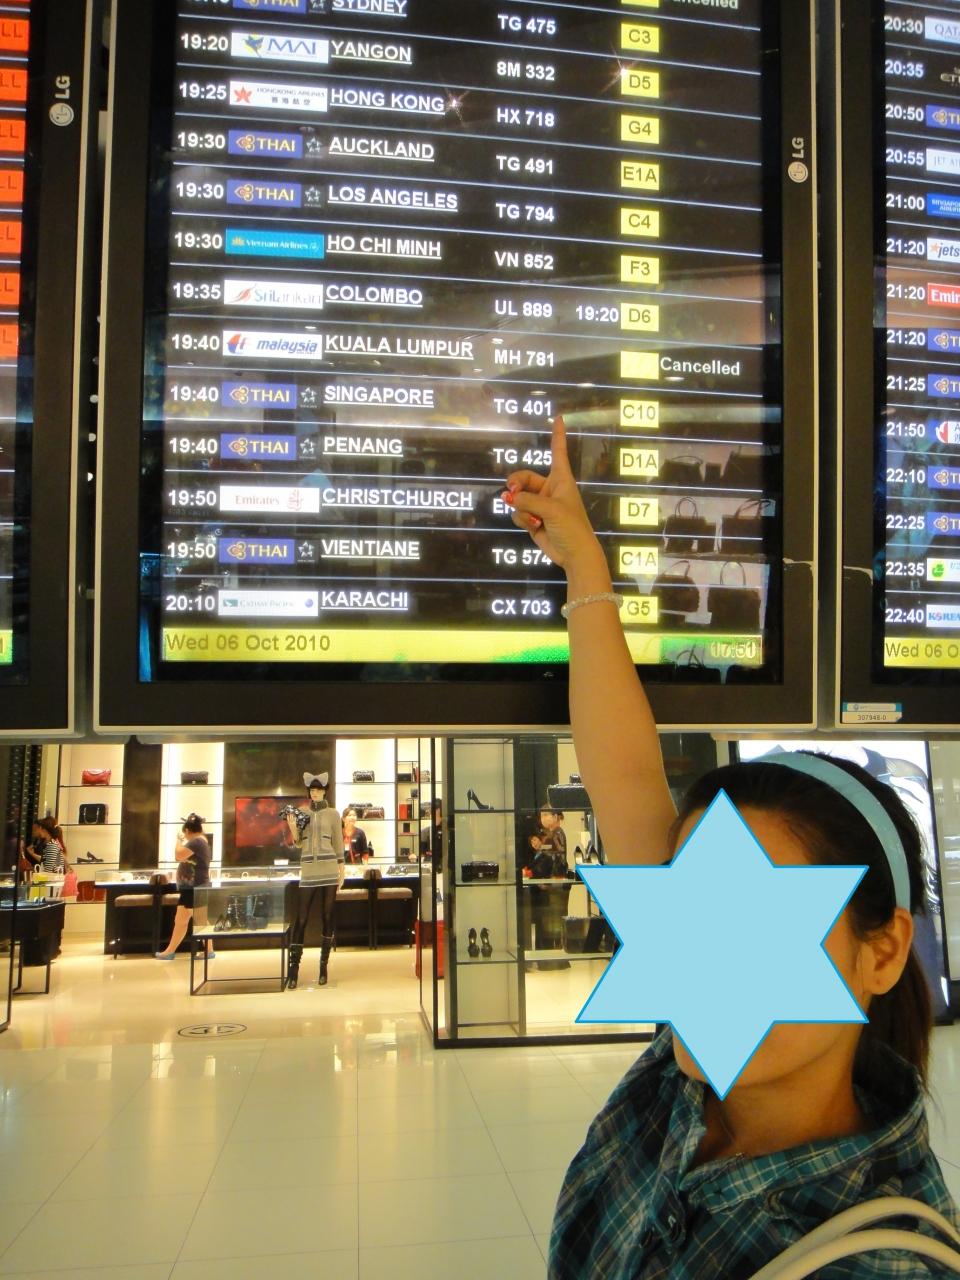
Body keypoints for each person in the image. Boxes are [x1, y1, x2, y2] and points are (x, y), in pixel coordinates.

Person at [504, 419, 960, 1278]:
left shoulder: (877, 1264)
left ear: (882, 950)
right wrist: (583, 564)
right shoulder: (692, 1075)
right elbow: (626, 775)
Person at [285, 771, 344, 989]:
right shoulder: (302, 813)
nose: (315, 793)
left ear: (325, 791)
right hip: (309, 870)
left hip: (329, 869)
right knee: (301, 918)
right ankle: (293, 970)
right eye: (312, 790)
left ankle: (323, 967)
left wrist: (342, 870)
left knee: (327, 916)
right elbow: (299, 843)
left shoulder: (333, 814)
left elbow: (338, 843)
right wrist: (293, 829)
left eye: (318, 790)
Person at [156, 814, 211, 961]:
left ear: (187, 830)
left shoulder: (197, 841)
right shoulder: (200, 841)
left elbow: (178, 855)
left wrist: (179, 841)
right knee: (180, 920)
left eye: (185, 834)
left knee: (200, 920)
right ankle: (169, 951)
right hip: (189, 887)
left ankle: (209, 950)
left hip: (194, 887)